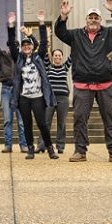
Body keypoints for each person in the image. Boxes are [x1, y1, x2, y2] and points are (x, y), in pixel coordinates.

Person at [54, 0, 112, 163]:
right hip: (83, 86)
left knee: (110, 119)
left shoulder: (110, 33)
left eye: (96, 17)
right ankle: (80, 151)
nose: (93, 20)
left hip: (106, 84)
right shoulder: (76, 35)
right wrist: (63, 16)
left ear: (100, 20)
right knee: (80, 119)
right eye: (91, 17)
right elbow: (60, 32)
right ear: (86, 20)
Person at [9, 12, 57, 160]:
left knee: (42, 123)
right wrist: (11, 26)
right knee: (27, 124)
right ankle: (30, 149)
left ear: (32, 46)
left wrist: (42, 23)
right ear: (22, 48)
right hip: (23, 97)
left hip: (38, 97)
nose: (26, 47)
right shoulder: (18, 59)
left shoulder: (38, 57)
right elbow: (11, 44)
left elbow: (43, 43)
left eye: (28, 44)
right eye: (24, 45)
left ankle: (50, 149)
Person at [0, 15, 26, 153]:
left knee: (22, 121)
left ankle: (23, 144)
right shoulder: (2, 55)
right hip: (6, 88)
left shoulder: (22, 58)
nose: (14, 48)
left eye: (16, 46)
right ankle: (8, 144)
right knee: (7, 119)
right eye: (12, 46)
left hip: (19, 90)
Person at [36, 12, 72, 155]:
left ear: (62, 58)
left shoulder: (65, 66)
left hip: (63, 98)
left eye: (59, 56)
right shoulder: (48, 66)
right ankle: (42, 145)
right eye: (55, 55)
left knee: (61, 124)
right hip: (50, 98)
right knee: (45, 122)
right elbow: (44, 50)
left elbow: (74, 54)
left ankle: (60, 146)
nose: (57, 57)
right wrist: (47, 33)